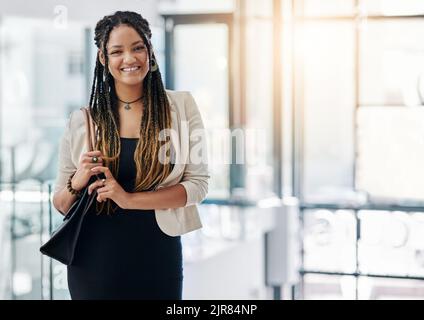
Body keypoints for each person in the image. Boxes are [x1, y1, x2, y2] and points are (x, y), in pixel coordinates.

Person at [52, 11, 209, 300]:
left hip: (158, 257)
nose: (129, 58)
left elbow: (197, 185)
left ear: (150, 51)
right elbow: (61, 204)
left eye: (137, 47)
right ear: (103, 58)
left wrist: (128, 199)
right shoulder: (82, 120)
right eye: (117, 51)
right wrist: (79, 179)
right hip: (93, 260)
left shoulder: (182, 106)